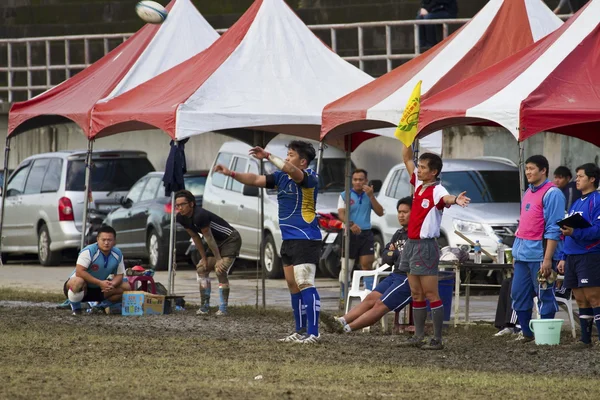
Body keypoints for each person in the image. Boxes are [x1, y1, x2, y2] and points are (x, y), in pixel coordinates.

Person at [214, 140, 322, 344]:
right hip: (288, 239)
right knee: (292, 284)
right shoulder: (281, 177)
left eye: (291, 154)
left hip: (306, 238)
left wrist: (268, 156)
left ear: (303, 162)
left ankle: (314, 333)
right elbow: (255, 179)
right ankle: (300, 330)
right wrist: (231, 174)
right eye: (287, 154)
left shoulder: (309, 177)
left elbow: (291, 169)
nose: (287, 157)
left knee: (305, 282)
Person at [397, 144, 470, 350]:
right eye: (418, 166)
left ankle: (437, 339)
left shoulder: (438, 190)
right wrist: (407, 137)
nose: (418, 170)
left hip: (426, 246)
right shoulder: (419, 185)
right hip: (411, 245)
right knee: (416, 293)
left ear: (434, 172)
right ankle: (418, 336)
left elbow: (446, 199)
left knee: (431, 293)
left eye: (422, 167)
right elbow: (406, 158)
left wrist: (456, 199)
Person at [336, 197, 413, 332]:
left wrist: (394, 254)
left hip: (408, 278)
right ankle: (341, 321)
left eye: (405, 212)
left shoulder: (417, 235)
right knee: (370, 298)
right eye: (399, 212)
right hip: (395, 275)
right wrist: (394, 254)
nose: (401, 215)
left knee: (380, 304)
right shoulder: (399, 233)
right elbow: (386, 257)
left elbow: (403, 257)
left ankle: (347, 328)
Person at [510, 155, 565, 343]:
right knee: (518, 294)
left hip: (540, 255)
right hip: (522, 254)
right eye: (526, 169)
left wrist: (548, 258)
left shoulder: (553, 193)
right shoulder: (528, 191)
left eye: (532, 168)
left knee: (545, 295)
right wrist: (515, 254)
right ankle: (526, 333)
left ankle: (546, 337)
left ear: (543, 171)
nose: (528, 172)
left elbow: (553, 228)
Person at [175, 189, 242, 316]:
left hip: (230, 239)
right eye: (177, 205)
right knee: (201, 269)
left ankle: (223, 308)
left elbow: (209, 237)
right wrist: (204, 258)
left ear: (191, 204)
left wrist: (218, 259)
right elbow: (195, 237)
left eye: (182, 204)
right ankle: (205, 306)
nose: (180, 208)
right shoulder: (181, 218)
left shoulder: (200, 215)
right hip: (214, 242)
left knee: (220, 269)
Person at [558, 163, 600, 347]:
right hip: (572, 256)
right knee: (580, 298)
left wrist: (574, 232)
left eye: (580, 176)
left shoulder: (597, 200)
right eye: (576, 176)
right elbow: (568, 231)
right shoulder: (576, 202)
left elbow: (597, 231)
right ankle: (585, 339)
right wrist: (563, 256)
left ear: (592, 179)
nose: (577, 179)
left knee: (594, 296)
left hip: (589, 254)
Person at [337, 169, 384, 299]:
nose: (358, 182)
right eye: (355, 179)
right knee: (347, 266)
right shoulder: (344, 195)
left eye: (361, 179)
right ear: (351, 181)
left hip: (366, 233)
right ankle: (344, 294)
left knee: (367, 264)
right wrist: (351, 224)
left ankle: (368, 293)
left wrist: (371, 196)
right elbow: (341, 214)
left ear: (366, 181)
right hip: (349, 233)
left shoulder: (369, 195)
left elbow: (380, 212)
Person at [64, 225, 130, 316]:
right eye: (103, 240)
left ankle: (100, 306)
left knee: (126, 287)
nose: (106, 243)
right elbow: (79, 272)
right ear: (97, 239)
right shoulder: (88, 251)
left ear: (114, 241)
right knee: (77, 281)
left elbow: (119, 275)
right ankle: (76, 309)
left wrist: (111, 285)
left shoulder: (117, 254)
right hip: (81, 287)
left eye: (109, 240)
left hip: (99, 289)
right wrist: (100, 283)